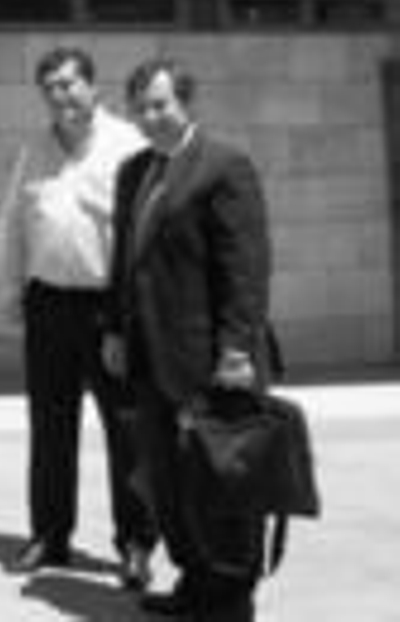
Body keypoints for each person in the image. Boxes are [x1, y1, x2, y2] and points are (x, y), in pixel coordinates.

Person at [104, 58, 274, 622]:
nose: (150, 117)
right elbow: (124, 263)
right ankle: (195, 584)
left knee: (220, 484)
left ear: (186, 103)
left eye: (161, 105)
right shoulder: (134, 172)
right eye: (141, 108)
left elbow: (246, 270)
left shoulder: (224, 166)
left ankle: (230, 599)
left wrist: (237, 350)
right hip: (152, 361)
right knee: (170, 483)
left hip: (212, 363)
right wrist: (114, 329)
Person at [0, 48, 157, 587]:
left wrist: (130, 317)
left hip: (109, 307)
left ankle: (135, 543)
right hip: (48, 305)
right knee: (49, 428)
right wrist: (13, 288)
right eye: (50, 88)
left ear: (92, 86)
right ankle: (49, 536)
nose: (60, 97)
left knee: (126, 431)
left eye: (68, 85)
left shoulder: (128, 146)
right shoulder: (34, 150)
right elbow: (14, 223)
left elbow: (145, 238)